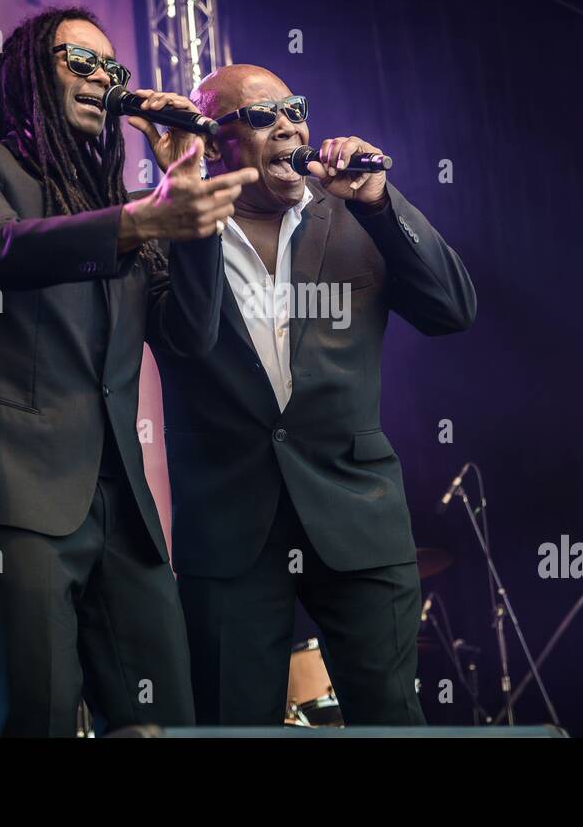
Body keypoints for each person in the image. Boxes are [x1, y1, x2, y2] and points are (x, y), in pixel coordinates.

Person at [0, 7, 255, 736]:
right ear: (32, 70)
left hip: (122, 504)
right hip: (18, 491)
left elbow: (189, 338)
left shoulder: (128, 206)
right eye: (81, 62)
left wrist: (186, 211)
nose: (103, 79)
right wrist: (145, 221)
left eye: (113, 69)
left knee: (164, 717)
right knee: (36, 712)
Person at [151, 63, 477, 725]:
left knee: (391, 719)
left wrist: (381, 203)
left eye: (295, 110)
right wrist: (189, 224)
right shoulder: (163, 232)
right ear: (214, 143)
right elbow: (183, 340)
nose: (289, 125)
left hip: (357, 511)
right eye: (264, 115)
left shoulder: (358, 214)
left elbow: (453, 309)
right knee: (233, 726)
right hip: (228, 526)